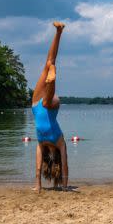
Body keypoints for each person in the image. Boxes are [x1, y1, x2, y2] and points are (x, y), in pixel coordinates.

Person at [31, 21, 69, 193]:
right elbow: (65, 162)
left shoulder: (42, 144)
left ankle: (59, 31)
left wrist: (38, 185)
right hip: (43, 106)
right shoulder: (56, 142)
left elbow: (39, 166)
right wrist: (65, 186)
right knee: (46, 102)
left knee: (48, 63)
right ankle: (52, 78)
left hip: (40, 106)